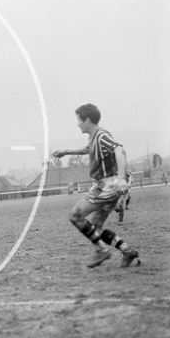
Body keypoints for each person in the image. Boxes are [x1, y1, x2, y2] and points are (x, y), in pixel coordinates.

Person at [52, 104, 140, 268]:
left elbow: (119, 150)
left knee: (75, 215)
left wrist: (121, 179)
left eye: (78, 120)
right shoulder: (94, 138)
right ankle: (127, 251)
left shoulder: (102, 136)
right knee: (95, 229)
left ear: (87, 120)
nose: (77, 124)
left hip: (107, 186)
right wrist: (66, 151)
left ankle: (101, 250)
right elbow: (88, 149)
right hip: (109, 188)